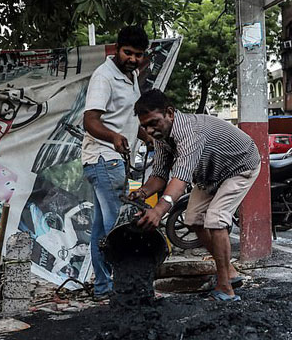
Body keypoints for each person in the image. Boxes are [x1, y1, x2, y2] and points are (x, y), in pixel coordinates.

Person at [130, 90, 261, 302]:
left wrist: (159, 211)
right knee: (192, 219)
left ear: (170, 113)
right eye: (144, 126)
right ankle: (230, 272)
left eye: (154, 123)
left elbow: (180, 178)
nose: (150, 130)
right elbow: (160, 175)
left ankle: (226, 288)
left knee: (216, 221)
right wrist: (142, 192)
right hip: (210, 175)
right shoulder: (162, 138)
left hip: (239, 166)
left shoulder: (190, 131)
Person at [82, 25, 150, 300]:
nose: (133, 59)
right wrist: (113, 137)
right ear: (116, 49)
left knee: (101, 228)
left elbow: (128, 120)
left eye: (139, 55)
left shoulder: (130, 75)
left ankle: (103, 287)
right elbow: (90, 121)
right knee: (120, 227)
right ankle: (127, 287)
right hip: (105, 160)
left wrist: (148, 137)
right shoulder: (104, 77)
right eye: (128, 53)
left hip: (115, 161)